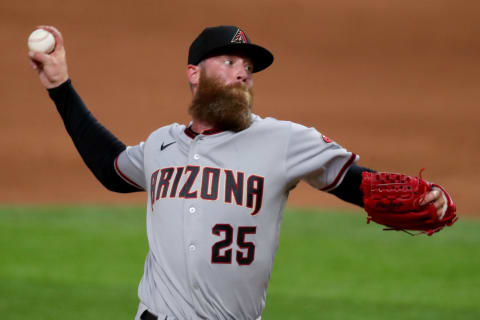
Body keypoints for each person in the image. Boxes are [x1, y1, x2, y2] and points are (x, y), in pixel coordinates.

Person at [29, 25, 448, 320]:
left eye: (247, 67)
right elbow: (111, 168)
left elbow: (354, 181)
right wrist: (60, 87)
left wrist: (422, 197)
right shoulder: (161, 145)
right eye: (229, 61)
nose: (243, 71)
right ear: (194, 74)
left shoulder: (283, 140)